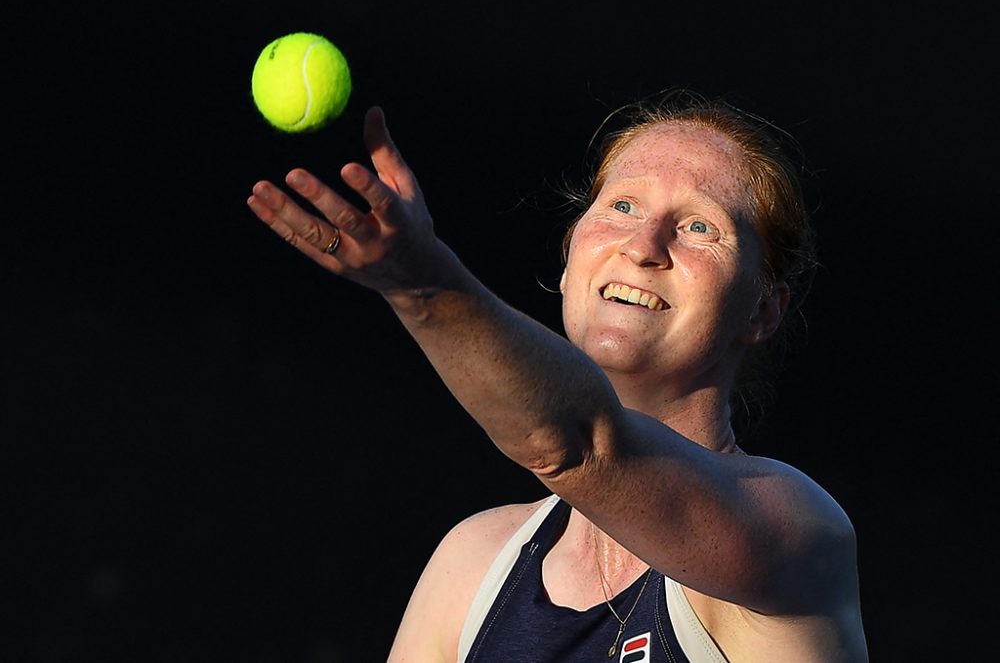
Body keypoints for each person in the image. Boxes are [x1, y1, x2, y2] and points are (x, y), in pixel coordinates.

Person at [246, 96, 868, 662]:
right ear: (571, 258)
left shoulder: (799, 534)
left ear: (762, 310)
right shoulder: (472, 567)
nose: (644, 244)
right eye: (623, 206)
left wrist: (426, 288)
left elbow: (579, 447)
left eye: (700, 226)